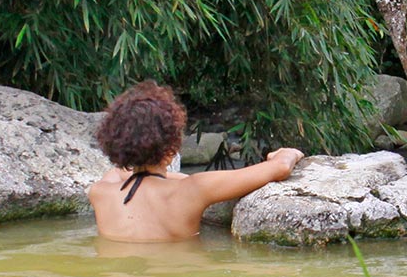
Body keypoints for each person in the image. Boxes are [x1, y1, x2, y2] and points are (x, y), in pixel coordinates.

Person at [88, 81, 303, 242]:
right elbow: (280, 168)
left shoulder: (99, 192)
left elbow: (123, 174)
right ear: (172, 147)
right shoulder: (193, 190)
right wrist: (287, 152)